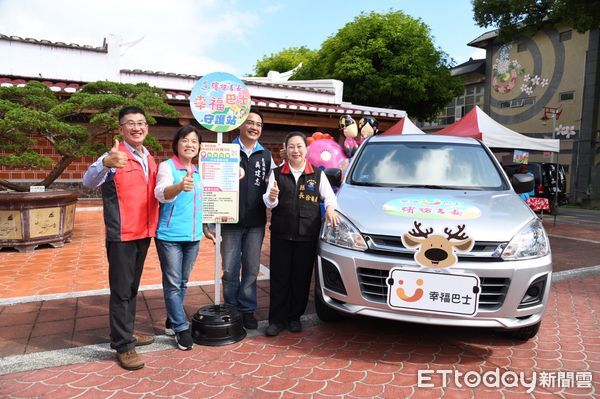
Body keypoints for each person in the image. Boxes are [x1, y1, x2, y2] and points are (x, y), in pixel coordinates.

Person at [82, 106, 158, 370]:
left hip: (144, 232)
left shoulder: (149, 157)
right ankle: (123, 346)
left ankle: (125, 332)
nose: (137, 127)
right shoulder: (113, 155)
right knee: (121, 291)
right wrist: (104, 163)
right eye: (130, 123)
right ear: (120, 129)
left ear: (147, 127)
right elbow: (89, 181)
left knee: (132, 288)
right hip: (122, 234)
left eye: (141, 123)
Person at [263, 131, 340, 336]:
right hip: (281, 234)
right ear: (285, 149)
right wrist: (271, 196)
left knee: (301, 278)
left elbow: (330, 197)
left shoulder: (316, 174)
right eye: (291, 147)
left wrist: (330, 208)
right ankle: (276, 320)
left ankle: (294, 317)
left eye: (299, 146)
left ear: (306, 150)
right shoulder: (277, 173)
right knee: (279, 278)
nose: (295, 150)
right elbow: (270, 203)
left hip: (307, 235)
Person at [154, 126, 215, 351]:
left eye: (194, 141)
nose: (190, 145)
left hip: (193, 237)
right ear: (176, 144)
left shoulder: (198, 171)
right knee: (172, 284)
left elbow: (199, 204)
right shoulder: (167, 167)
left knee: (182, 282)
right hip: (169, 236)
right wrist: (179, 186)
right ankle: (180, 328)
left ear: (199, 147)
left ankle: (173, 316)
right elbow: (160, 193)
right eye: (185, 140)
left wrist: (205, 228)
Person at [221, 108, 273, 329]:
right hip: (230, 222)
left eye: (259, 124)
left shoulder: (266, 156)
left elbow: (272, 187)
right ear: (240, 125)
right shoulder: (226, 151)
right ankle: (231, 309)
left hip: (256, 223)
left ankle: (247, 309)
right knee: (230, 269)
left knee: (251, 268)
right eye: (250, 123)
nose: (254, 127)